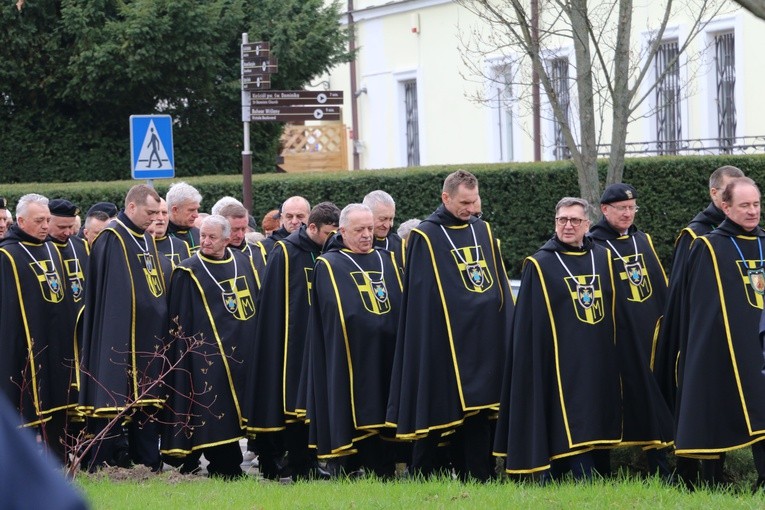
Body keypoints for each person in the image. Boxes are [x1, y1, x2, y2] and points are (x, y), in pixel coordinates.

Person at [386, 169, 514, 482]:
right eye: (464, 202)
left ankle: (480, 476)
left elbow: (495, 283)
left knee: (481, 414)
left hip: (482, 340)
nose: (471, 208)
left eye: (475, 201)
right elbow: (422, 298)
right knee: (437, 412)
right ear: (446, 198)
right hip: (444, 342)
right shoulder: (425, 236)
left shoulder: (482, 230)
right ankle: (421, 476)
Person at [493, 197, 620, 480]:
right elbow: (529, 325)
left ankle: (598, 471)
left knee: (598, 412)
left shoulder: (603, 257)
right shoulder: (540, 264)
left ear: (587, 224)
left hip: (598, 357)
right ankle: (572, 474)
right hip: (559, 361)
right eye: (562, 219)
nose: (568, 226)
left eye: (575, 220)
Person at [654, 165, 745, 485]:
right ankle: (695, 475)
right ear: (715, 194)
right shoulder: (696, 234)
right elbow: (681, 291)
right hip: (699, 333)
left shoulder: (746, 232)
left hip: (738, 334)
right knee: (701, 402)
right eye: (729, 191)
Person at [674, 177, 765, 488]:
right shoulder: (707, 247)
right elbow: (701, 309)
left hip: (761, 344)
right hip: (726, 346)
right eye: (745, 205)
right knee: (718, 405)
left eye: (756, 204)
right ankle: (711, 480)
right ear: (726, 207)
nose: (753, 211)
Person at [303, 204, 403, 478]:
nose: (367, 235)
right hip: (353, 354)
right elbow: (335, 312)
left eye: (370, 229)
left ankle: (386, 468)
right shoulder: (329, 264)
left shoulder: (388, 259)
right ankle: (352, 467)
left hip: (388, 350)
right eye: (359, 230)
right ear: (342, 231)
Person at [245, 202, 340, 481]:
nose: (332, 240)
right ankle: (298, 463)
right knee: (293, 405)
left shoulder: (331, 251)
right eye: (328, 234)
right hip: (293, 341)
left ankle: (317, 460)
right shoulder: (285, 251)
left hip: (322, 338)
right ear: (312, 228)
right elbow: (273, 304)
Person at [161, 215, 258, 479]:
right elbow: (179, 322)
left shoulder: (241, 261)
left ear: (227, 239)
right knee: (216, 412)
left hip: (243, 350)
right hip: (207, 355)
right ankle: (223, 467)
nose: (205, 241)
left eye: (212, 237)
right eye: (202, 235)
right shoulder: (187, 270)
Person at [78, 184, 167, 471]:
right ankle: (103, 464)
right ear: (131, 207)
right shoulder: (112, 237)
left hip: (147, 336)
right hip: (120, 335)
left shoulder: (146, 238)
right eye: (149, 212)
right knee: (113, 400)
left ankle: (148, 463)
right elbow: (115, 295)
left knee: (146, 403)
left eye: (157, 213)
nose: (154, 218)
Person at [588, 184, 674, 476]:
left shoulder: (642, 239)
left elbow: (659, 288)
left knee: (656, 398)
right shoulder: (593, 245)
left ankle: (662, 468)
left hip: (651, 334)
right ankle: (602, 471)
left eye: (632, 207)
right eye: (622, 208)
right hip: (619, 338)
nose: (628, 213)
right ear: (604, 209)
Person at [0, 194, 76, 463]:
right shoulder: (7, 254)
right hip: (24, 348)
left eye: (47, 220)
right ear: (20, 221)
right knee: (27, 410)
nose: (46, 226)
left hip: (56, 345)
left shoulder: (53, 249)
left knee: (58, 410)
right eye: (39, 221)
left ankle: (60, 464)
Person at [47, 199, 90, 306]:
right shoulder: (39, 248)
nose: (68, 233)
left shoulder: (82, 246)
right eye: (61, 227)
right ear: (47, 221)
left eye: (71, 227)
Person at [256, 196, 311, 262]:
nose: (294, 221)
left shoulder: (317, 244)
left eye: (300, 216)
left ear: (310, 217)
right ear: (282, 218)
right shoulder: (265, 248)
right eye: (289, 217)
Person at [363, 190, 404, 270]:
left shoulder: (401, 246)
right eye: (382, 219)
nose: (387, 225)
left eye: (391, 219)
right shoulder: (349, 243)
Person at [148, 197, 191, 267]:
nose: (161, 218)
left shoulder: (181, 246)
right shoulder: (136, 243)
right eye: (156, 213)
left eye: (164, 213)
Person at [166, 181, 202, 254]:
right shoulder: (159, 236)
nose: (196, 215)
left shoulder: (200, 234)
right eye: (191, 210)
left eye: (197, 209)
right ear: (175, 210)